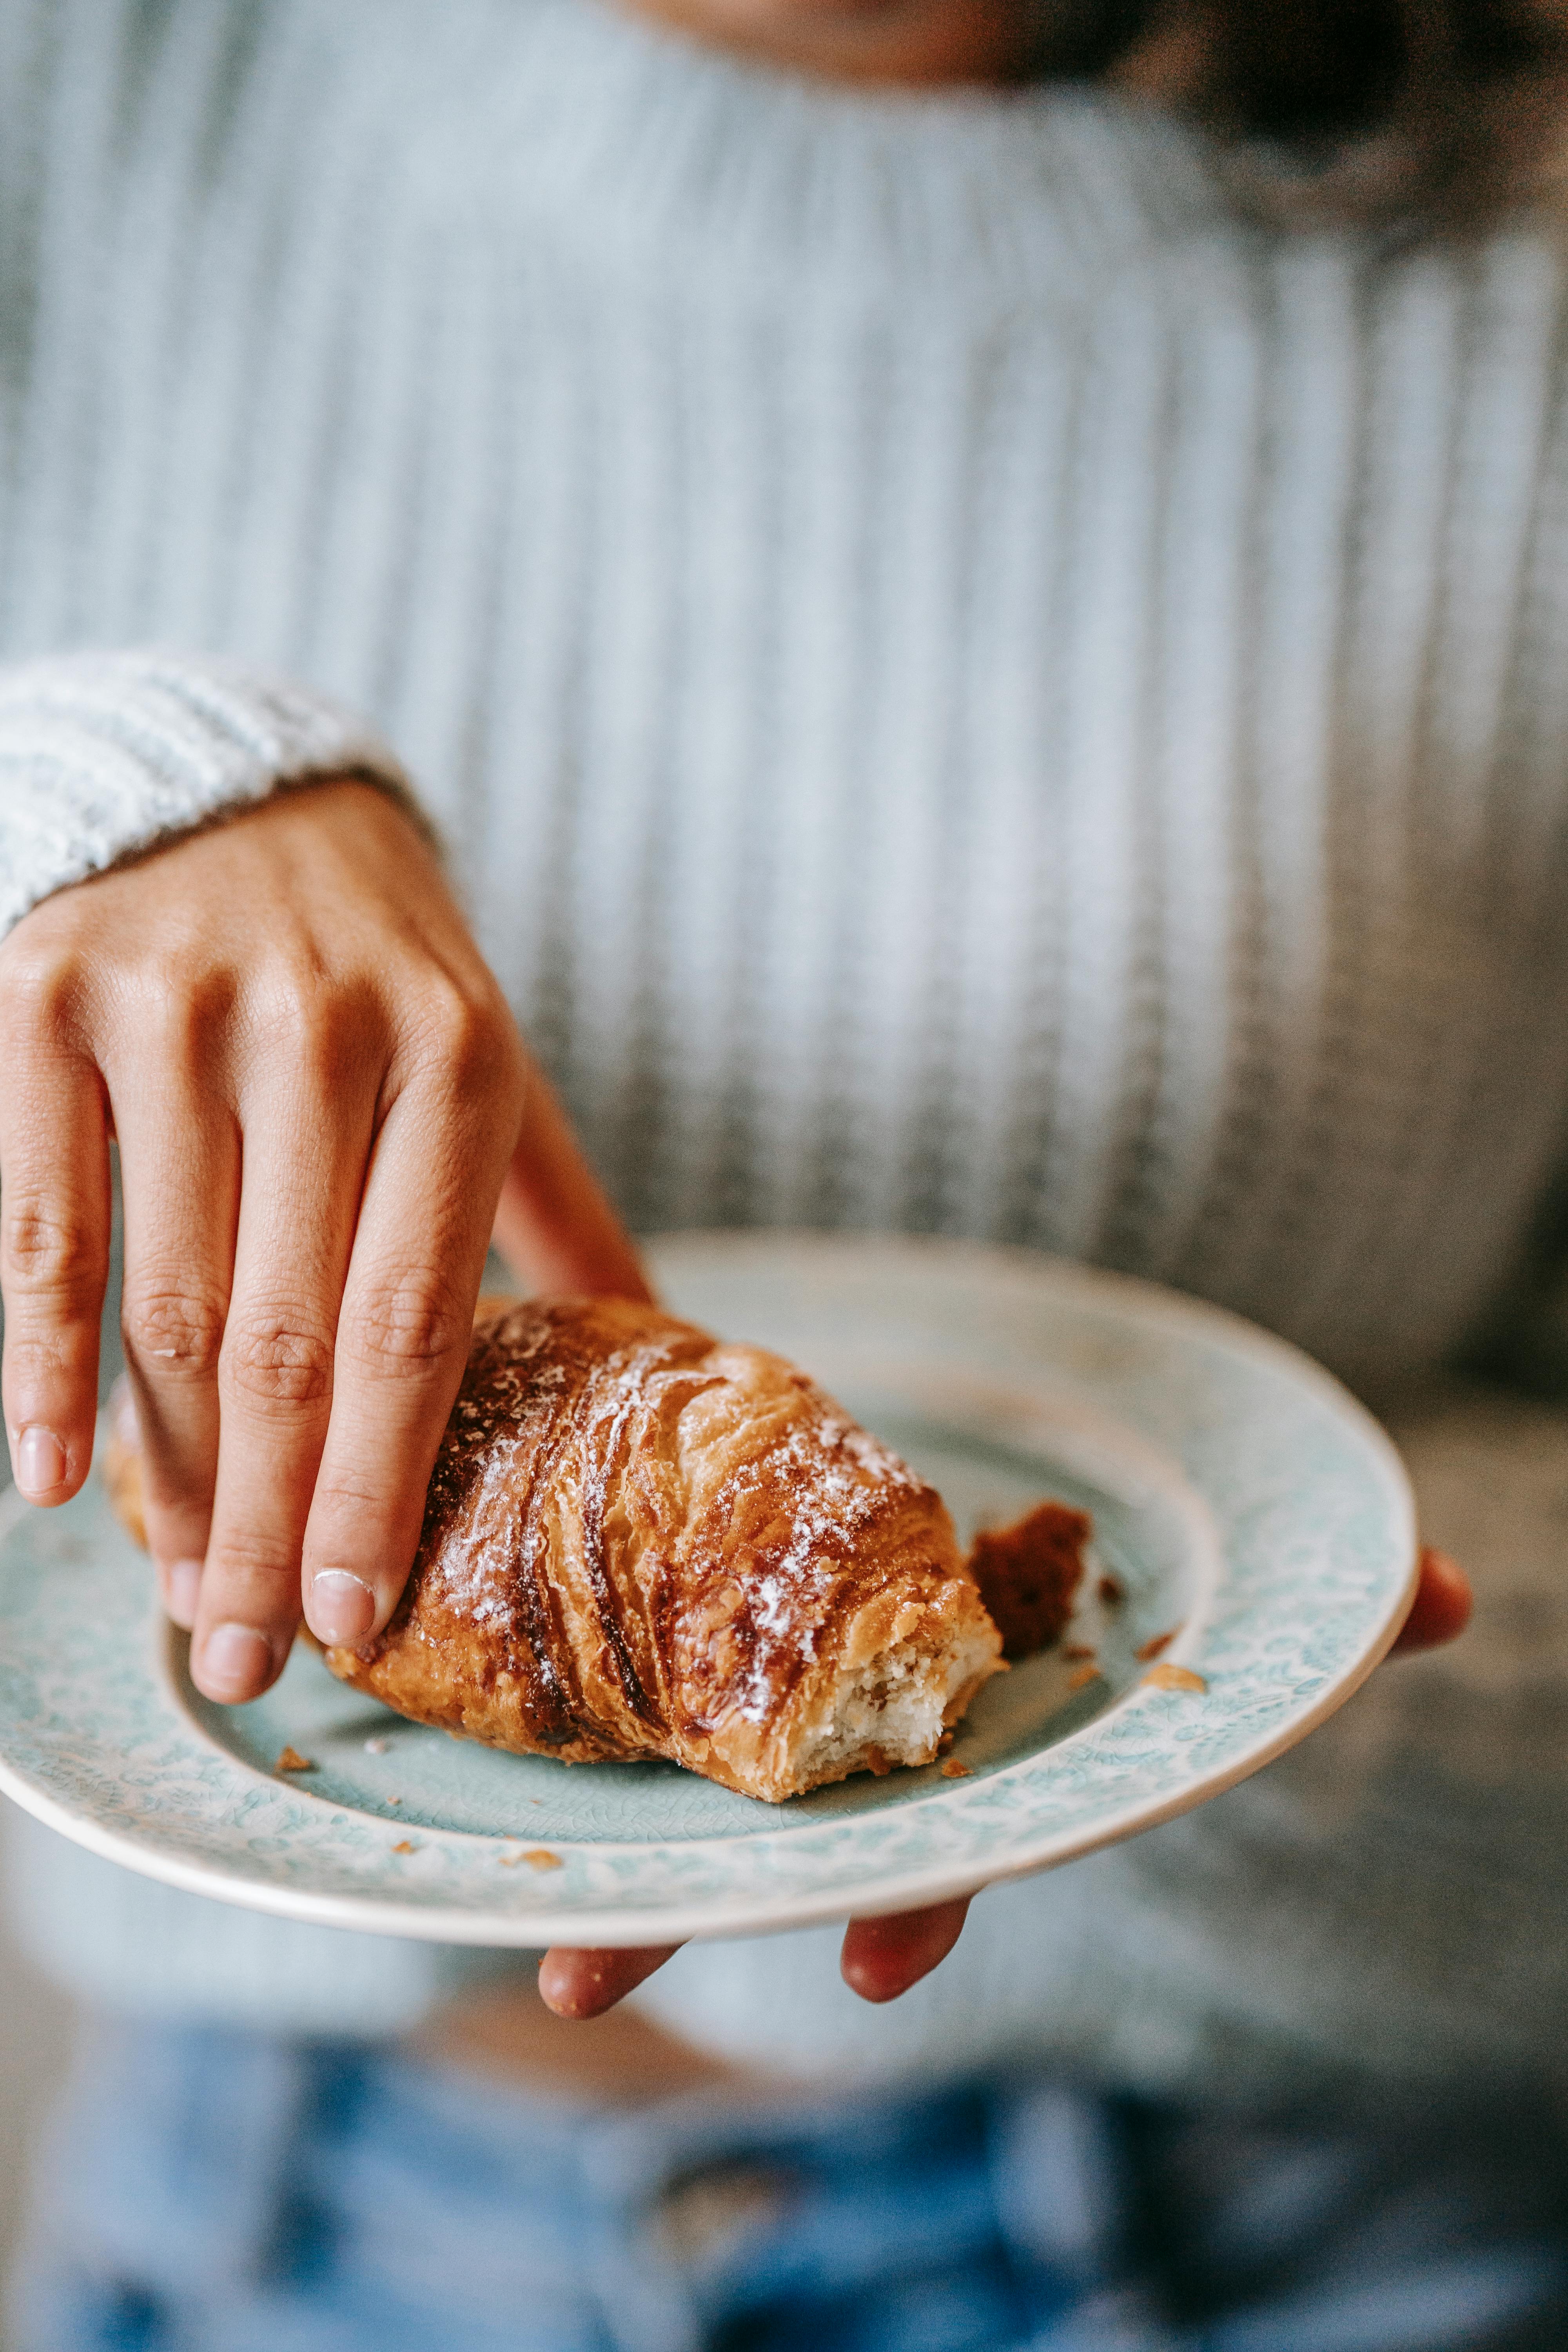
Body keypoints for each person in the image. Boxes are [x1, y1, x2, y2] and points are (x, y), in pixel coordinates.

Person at [0, 0, 1560, 2343]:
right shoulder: (90, 67)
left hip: (1319, 2242)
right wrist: (82, 787)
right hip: (283, 2227)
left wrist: (1247, 1693)